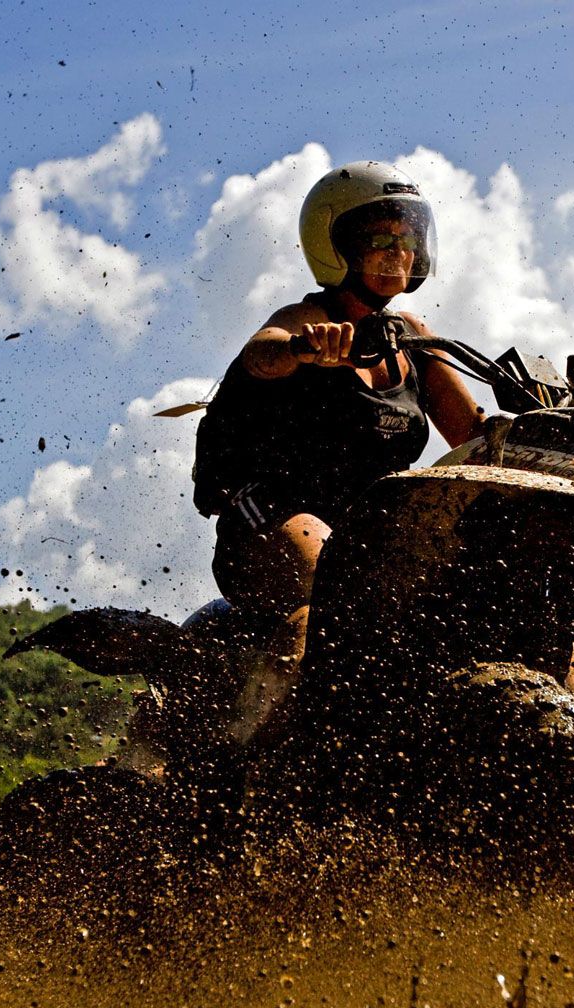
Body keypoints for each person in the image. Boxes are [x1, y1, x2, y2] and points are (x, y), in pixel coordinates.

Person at [195, 161, 486, 729]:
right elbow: (264, 352)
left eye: (406, 241)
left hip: (372, 530)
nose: (395, 254)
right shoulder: (306, 319)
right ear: (335, 248)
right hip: (270, 518)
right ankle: (248, 763)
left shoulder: (415, 337)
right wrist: (308, 348)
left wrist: (546, 425)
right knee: (332, 587)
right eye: (379, 240)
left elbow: (476, 438)